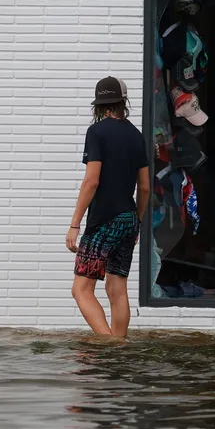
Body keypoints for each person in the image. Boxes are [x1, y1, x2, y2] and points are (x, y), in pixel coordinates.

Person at [66, 77, 150, 339]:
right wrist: (137, 219)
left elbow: (92, 181)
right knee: (117, 288)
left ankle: (110, 343)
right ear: (123, 103)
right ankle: (119, 344)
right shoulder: (136, 135)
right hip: (128, 219)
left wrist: (75, 224)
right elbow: (145, 187)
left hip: (103, 221)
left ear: (100, 105)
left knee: (81, 289)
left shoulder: (97, 132)